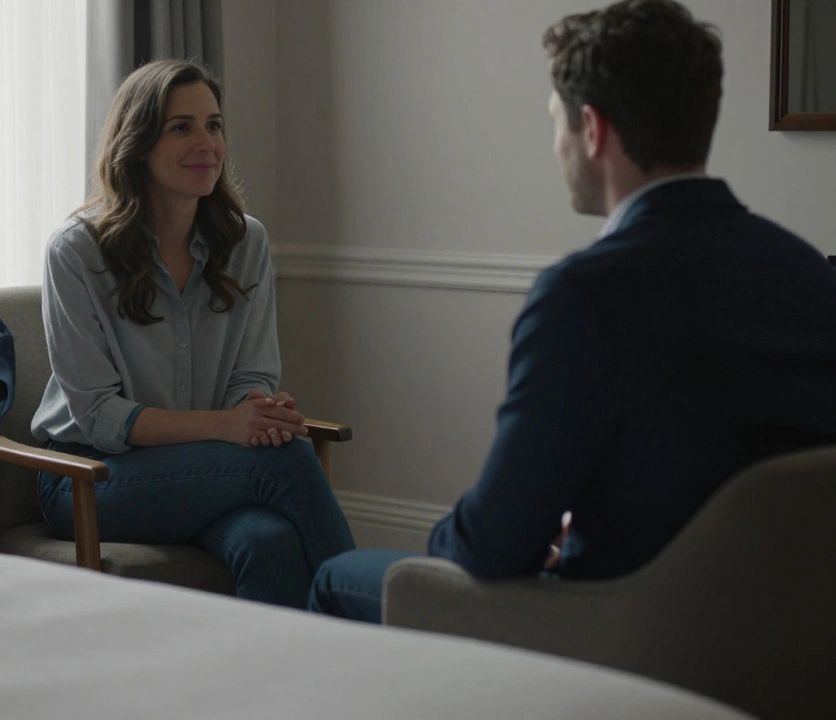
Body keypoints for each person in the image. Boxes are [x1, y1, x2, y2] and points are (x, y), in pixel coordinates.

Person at [310, 0, 836, 623]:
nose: (556, 143)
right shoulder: (807, 271)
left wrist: (463, 535)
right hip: (789, 639)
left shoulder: (586, 295)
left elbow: (491, 547)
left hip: (629, 634)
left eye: (556, 121)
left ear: (593, 129)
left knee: (339, 576)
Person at [31, 59, 356, 608]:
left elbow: (251, 371)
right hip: (90, 477)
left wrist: (257, 414)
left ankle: (274, 689)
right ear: (136, 145)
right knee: (288, 462)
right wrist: (227, 427)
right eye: (181, 127)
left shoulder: (245, 242)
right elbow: (98, 415)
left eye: (214, 124)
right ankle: (374, 634)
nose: (206, 142)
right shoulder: (76, 253)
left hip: (208, 466)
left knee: (269, 541)